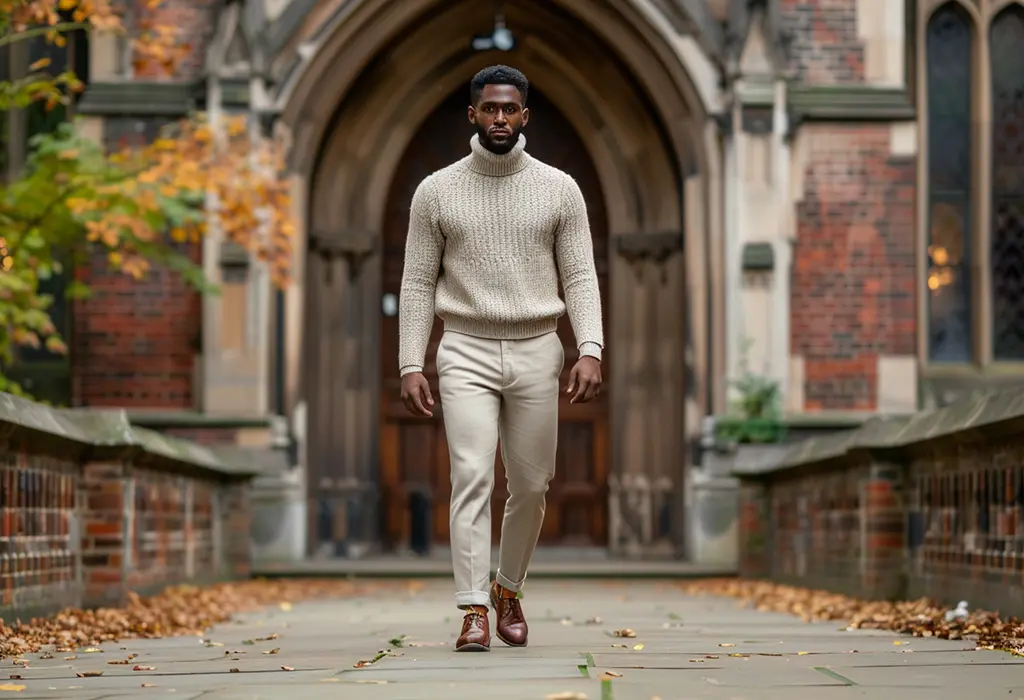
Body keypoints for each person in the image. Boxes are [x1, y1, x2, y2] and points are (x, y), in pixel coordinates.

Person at [397, 65, 604, 652]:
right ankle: (471, 610)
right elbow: (416, 283)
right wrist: (411, 362)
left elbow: (582, 276)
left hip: (540, 346)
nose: (500, 119)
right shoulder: (435, 191)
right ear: (473, 115)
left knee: (533, 484)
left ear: (524, 116)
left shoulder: (560, 189)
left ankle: (506, 588)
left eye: (510, 110)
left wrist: (590, 347)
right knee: (471, 476)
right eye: (489, 109)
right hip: (463, 346)